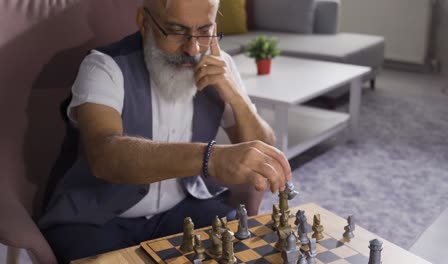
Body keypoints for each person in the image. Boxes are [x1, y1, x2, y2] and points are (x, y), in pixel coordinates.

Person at [38, 0, 291, 262]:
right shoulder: (104, 66)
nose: (192, 48)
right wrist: (211, 158)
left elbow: (266, 149)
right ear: (144, 21)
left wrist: (236, 97)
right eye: (176, 31)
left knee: (241, 251)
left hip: (184, 209)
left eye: (204, 31)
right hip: (95, 219)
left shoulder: (219, 64)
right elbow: (105, 155)